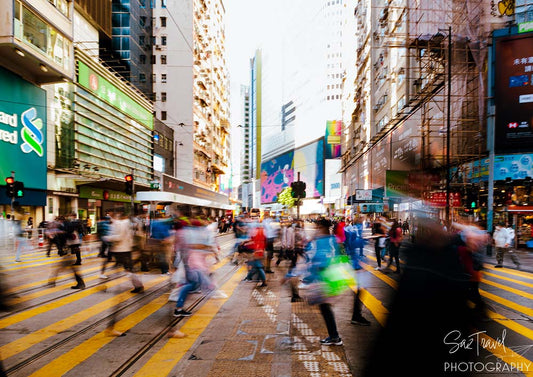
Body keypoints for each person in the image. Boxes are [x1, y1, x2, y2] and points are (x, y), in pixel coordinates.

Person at [104, 212, 144, 293]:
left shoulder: (122, 224)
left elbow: (120, 237)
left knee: (128, 269)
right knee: (127, 268)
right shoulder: (129, 223)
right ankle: (138, 285)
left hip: (121, 249)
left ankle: (138, 285)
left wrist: (108, 238)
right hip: (125, 248)